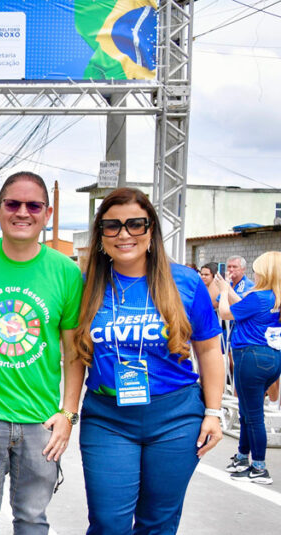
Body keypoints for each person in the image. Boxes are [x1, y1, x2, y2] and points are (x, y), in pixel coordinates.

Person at [71, 187, 224, 533]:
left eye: (135, 224)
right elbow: (75, 354)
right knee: (108, 522)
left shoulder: (185, 281)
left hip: (175, 418)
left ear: (151, 229)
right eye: (112, 226)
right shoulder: (86, 285)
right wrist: (68, 413)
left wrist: (213, 413)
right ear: (100, 235)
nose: (124, 234)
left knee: (158, 523)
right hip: (108, 418)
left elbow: (209, 350)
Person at [0, 171, 83, 534]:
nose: (22, 212)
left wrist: (67, 415)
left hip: (41, 421)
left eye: (34, 206)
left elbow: (74, 352)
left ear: (47, 214)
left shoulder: (66, 272)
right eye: (13, 204)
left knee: (33, 520)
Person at [216, 251, 281, 484]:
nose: (255, 274)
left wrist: (223, 292)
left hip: (251, 357)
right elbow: (244, 305)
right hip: (271, 357)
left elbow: (226, 312)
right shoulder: (273, 297)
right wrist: (229, 289)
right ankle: (244, 458)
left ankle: (259, 467)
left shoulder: (259, 296)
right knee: (247, 411)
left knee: (253, 416)